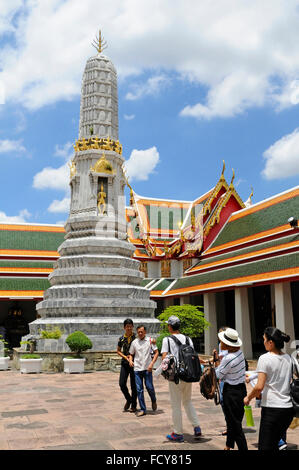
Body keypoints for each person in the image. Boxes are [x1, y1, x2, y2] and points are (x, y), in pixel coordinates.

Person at [244, 327, 295, 451]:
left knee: (265, 446)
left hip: (272, 409)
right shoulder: (288, 358)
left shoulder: (265, 358)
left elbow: (259, 386)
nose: (263, 342)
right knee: (275, 444)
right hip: (287, 409)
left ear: (271, 343)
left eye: (264, 340)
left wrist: (248, 397)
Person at [161, 315, 202, 442]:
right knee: (187, 401)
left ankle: (178, 433)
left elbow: (164, 359)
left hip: (176, 376)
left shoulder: (167, 340)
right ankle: (196, 426)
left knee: (176, 405)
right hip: (188, 375)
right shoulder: (188, 339)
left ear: (169, 326)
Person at [214, 327, 248, 451]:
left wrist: (217, 364)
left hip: (231, 392)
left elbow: (218, 375)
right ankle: (228, 445)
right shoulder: (240, 353)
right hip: (241, 389)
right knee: (233, 420)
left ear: (228, 344)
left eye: (222, 342)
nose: (220, 344)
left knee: (235, 424)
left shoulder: (228, 358)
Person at [128, 325, 159, 417]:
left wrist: (152, 364)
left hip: (147, 368)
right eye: (139, 332)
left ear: (145, 332)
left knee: (149, 387)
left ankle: (153, 399)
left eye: (142, 332)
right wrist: (130, 360)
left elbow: (157, 352)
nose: (140, 333)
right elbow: (131, 354)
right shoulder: (134, 342)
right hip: (137, 369)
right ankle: (143, 409)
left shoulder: (150, 341)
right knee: (139, 390)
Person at [116, 318, 137, 413]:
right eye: (127, 326)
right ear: (124, 327)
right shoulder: (121, 338)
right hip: (125, 363)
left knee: (134, 385)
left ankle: (134, 405)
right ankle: (129, 399)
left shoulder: (136, 337)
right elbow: (118, 351)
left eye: (130, 326)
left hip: (134, 363)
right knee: (122, 383)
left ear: (132, 327)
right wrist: (125, 357)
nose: (129, 328)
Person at [212, 326, 229, 436]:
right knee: (223, 401)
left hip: (229, 376)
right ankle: (230, 424)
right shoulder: (220, 345)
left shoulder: (232, 347)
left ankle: (232, 425)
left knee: (227, 401)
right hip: (222, 375)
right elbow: (218, 361)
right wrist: (215, 357)